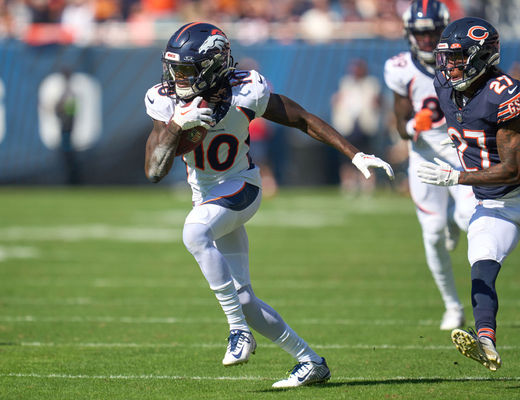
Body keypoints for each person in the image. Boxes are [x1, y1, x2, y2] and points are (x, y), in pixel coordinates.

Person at [144, 22, 394, 388]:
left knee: (194, 232)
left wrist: (355, 155)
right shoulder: (165, 99)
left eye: (187, 70)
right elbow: (153, 170)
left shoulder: (247, 90)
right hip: (206, 195)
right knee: (243, 297)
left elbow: (302, 118)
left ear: (213, 65)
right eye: (175, 69)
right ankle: (311, 361)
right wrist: (174, 127)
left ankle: (237, 331)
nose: (177, 78)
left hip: (241, 186)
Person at [418, 16, 520, 371]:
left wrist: (456, 176)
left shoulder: (504, 94)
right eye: (447, 58)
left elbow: (513, 168)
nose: (450, 66)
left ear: (482, 56)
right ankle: (487, 342)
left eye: (459, 58)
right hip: (496, 203)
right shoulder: (446, 88)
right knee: (481, 268)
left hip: (510, 188)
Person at [384, 0, 475, 331]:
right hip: (424, 156)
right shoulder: (399, 68)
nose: (425, 40)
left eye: (431, 33)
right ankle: (452, 305)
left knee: (469, 219)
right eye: (419, 33)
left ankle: (484, 298)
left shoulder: (464, 62)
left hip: (462, 152)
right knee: (433, 234)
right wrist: (413, 126)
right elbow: (399, 123)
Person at [332, 58, 382, 196]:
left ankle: (367, 183)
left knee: (367, 154)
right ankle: (349, 184)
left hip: (365, 125)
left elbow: (377, 103)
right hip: (348, 125)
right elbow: (338, 102)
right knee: (347, 156)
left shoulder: (371, 84)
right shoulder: (346, 83)